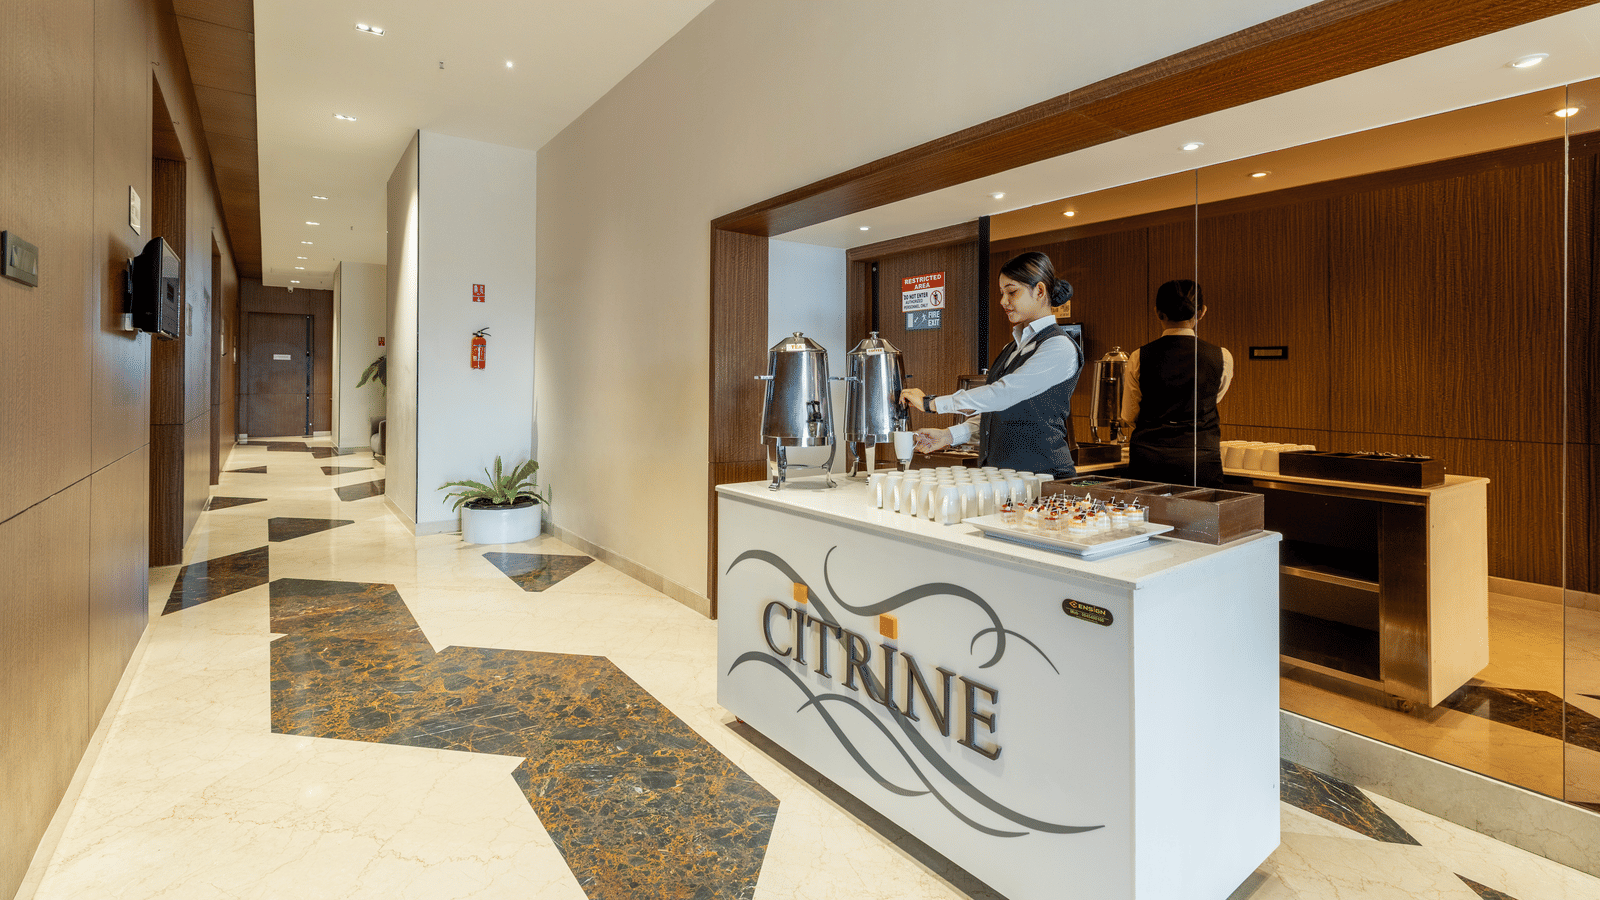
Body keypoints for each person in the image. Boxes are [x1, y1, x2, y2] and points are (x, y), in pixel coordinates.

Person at [898, 251, 1082, 477]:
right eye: (1002, 293)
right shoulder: (1011, 348)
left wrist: (931, 403)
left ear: (1040, 291)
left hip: (1043, 478)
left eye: (1012, 292)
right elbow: (998, 414)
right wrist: (949, 436)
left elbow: (1002, 395)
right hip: (1002, 478)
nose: (1003, 301)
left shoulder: (1059, 347)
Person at [1120, 279, 1233, 487]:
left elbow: (1129, 414)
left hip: (1149, 459)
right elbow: (1210, 399)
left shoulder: (1139, 356)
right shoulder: (1222, 356)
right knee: (1202, 518)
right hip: (1200, 461)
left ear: (1158, 313)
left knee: (1146, 519)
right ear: (1201, 312)